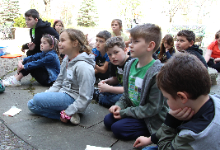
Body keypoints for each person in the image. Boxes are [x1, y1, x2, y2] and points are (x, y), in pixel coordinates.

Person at [134, 53, 220, 150]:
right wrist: (150, 139)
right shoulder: (212, 100)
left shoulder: (193, 134)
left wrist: (170, 122)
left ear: (182, 97)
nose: (167, 102)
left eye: (167, 98)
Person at [103, 24, 169, 140]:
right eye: (131, 41)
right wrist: (119, 105)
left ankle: (151, 131)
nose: (130, 45)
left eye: (135, 42)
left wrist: (125, 112)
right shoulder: (129, 65)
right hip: (134, 110)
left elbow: (153, 108)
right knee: (108, 121)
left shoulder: (157, 73)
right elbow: (127, 94)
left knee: (117, 129)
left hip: (150, 117)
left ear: (150, 45)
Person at [27, 29, 95, 125]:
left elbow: (85, 97)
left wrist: (70, 110)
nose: (59, 43)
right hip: (63, 94)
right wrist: (47, 94)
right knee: (31, 104)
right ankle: (68, 116)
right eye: (59, 40)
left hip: (73, 99)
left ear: (75, 43)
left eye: (63, 40)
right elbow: (59, 81)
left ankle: (70, 112)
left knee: (37, 99)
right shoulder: (67, 59)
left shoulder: (83, 66)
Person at [94, 36, 132, 107]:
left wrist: (109, 88)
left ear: (125, 50)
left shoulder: (131, 64)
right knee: (108, 90)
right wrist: (106, 81)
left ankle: (99, 97)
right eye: (110, 54)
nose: (113, 57)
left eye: (116, 52)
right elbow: (115, 79)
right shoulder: (113, 63)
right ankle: (99, 93)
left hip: (132, 91)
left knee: (115, 100)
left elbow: (130, 89)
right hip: (121, 86)